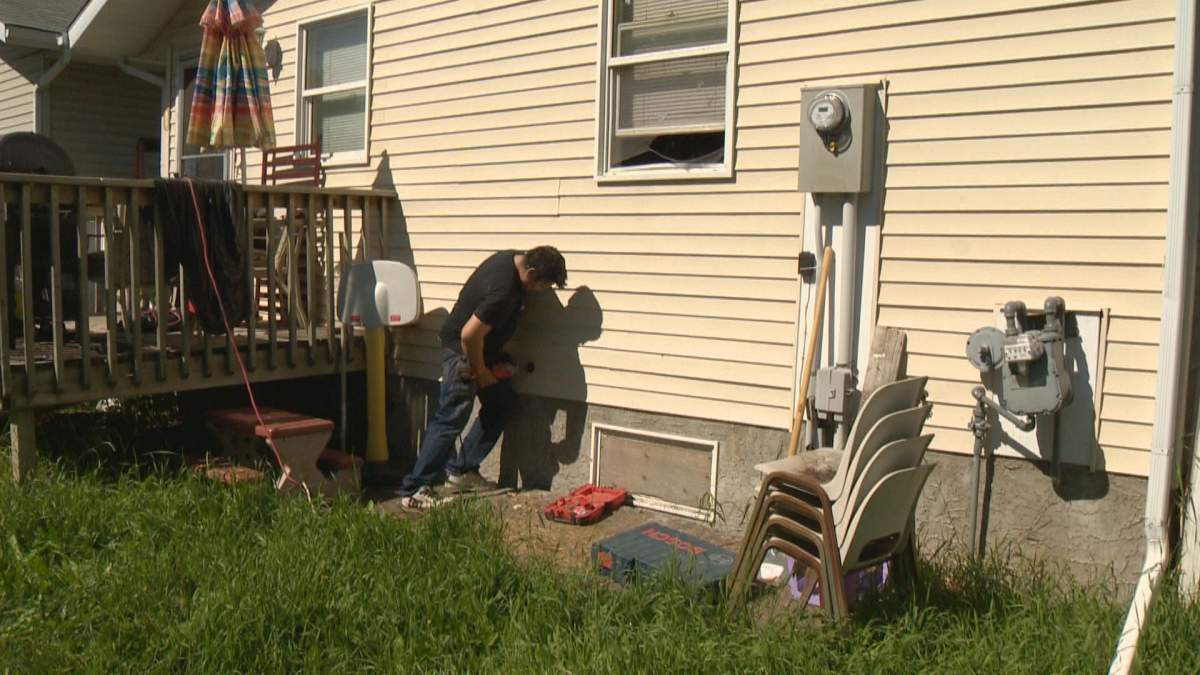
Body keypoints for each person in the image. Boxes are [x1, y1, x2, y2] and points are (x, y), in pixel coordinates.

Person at [399, 246, 568, 508]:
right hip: (463, 353)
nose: (541, 291)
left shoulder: (511, 258)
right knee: (451, 417)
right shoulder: (504, 291)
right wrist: (482, 373)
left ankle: (461, 471)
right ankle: (414, 489)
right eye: (543, 285)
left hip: (482, 351)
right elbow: (469, 335)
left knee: (501, 403)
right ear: (531, 272)